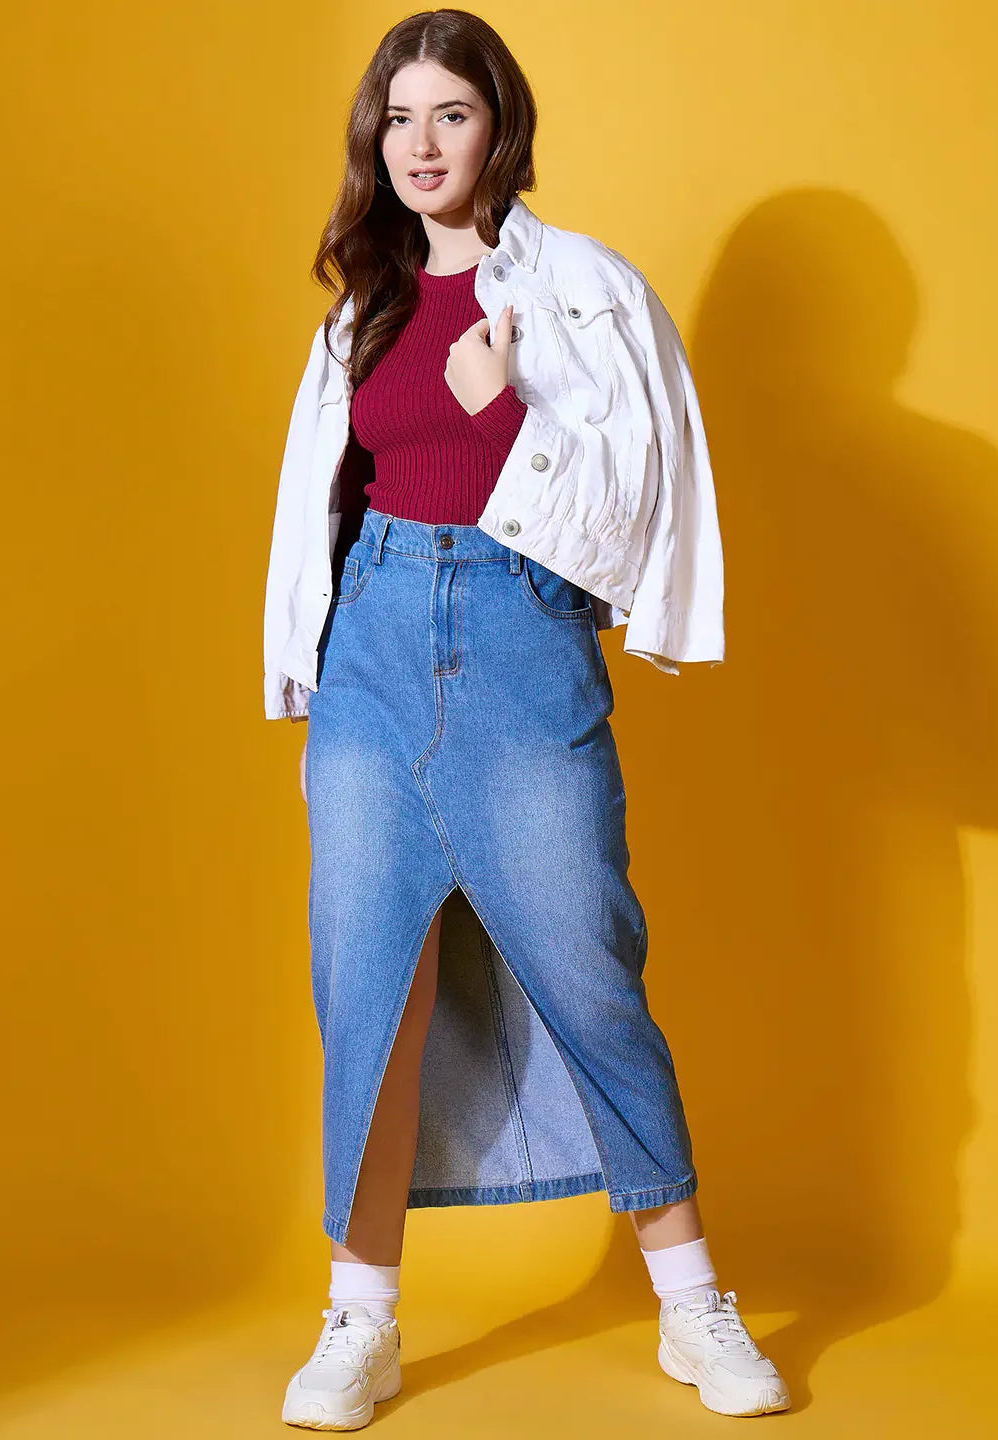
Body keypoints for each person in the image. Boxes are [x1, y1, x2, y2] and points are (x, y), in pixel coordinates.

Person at [268, 8, 790, 1430]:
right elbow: (326, 514)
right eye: (397, 119)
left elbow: (618, 531)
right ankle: (360, 1321)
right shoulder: (359, 312)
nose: (419, 144)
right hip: (372, 653)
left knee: (590, 968)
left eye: (450, 114)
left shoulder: (591, 297)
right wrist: (307, 670)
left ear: (502, 127)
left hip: (522, 644)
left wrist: (505, 412)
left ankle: (692, 1307)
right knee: (365, 983)